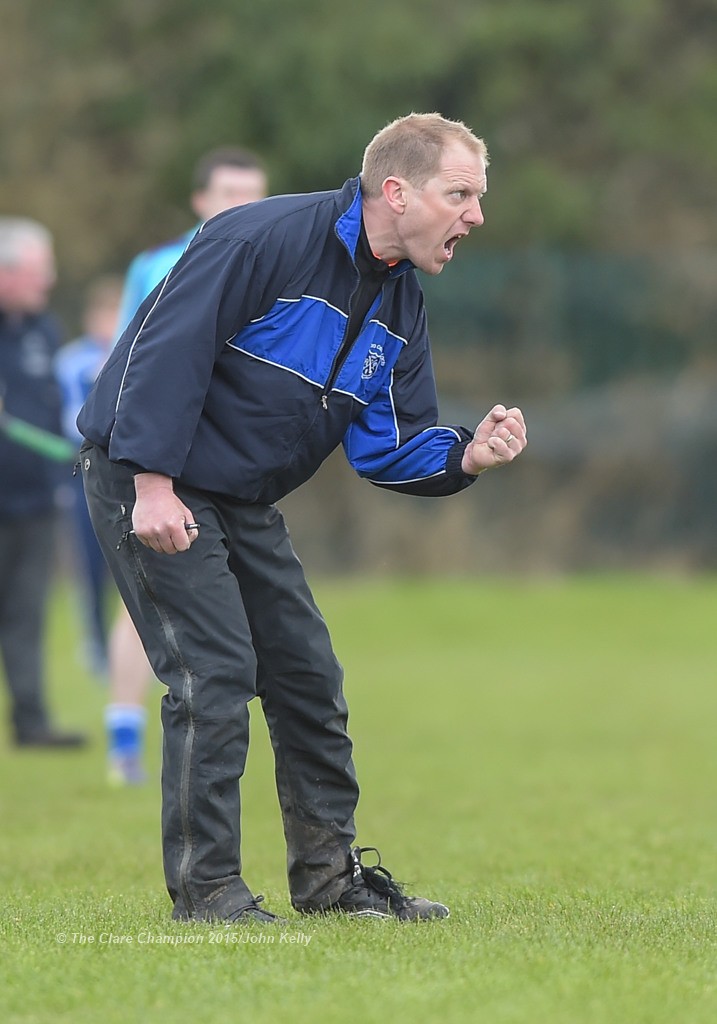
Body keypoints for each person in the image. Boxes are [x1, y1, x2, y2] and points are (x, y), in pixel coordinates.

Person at [77, 113, 527, 923]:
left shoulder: (399, 302)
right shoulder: (260, 238)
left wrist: (466, 457)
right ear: (396, 191)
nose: (476, 216)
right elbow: (162, 352)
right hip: (149, 479)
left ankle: (330, 885)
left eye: (477, 198)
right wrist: (151, 483)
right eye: (460, 194)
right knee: (211, 676)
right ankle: (208, 894)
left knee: (308, 681)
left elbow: (386, 445)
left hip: (241, 500)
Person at [101, 146, 269, 786]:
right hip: (163, 464)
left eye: (254, 193)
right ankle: (124, 735)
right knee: (143, 601)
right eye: (229, 192)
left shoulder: (272, 265)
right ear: (200, 200)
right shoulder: (160, 266)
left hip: (228, 468)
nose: (242, 206)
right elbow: (130, 363)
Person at [0, 217, 87, 748]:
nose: (48, 280)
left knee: (26, 615)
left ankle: (30, 724)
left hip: (33, 502)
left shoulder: (43, 328)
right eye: (39, 270)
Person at [55, 276, 124, 677]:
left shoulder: (130, 353)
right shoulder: (71, 361)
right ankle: (96, 646)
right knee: (90, 564)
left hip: (127, 473)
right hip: (80, 475)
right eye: (103, 314)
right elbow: (67, 416)